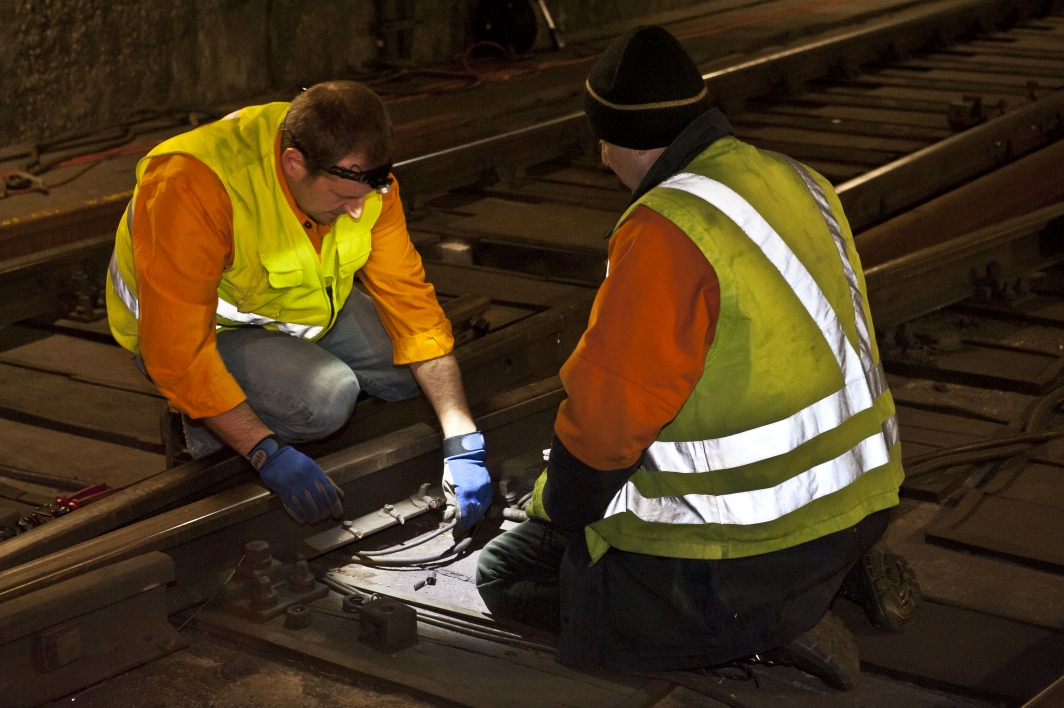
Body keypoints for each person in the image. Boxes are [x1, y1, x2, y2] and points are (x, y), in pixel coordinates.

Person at [475, 26, 921, 689]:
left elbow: (604, 429)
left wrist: (556, 510)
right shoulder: (797, 179)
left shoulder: (666, 227)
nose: (600, 157)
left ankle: (771, 626)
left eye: (601, 138)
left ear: (625, 138)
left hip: (749, 553)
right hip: (865, 501)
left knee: (506, 574)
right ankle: (836, 571)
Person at [106, 81, 492, 530]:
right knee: (326, 399)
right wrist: (265, 451)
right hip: (195, 333)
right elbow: (177, 350)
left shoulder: (363, 180)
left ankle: (272, 383)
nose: (355, 211)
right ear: (293, 164)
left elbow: (412, 306)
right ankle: (199, 427)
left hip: (293, 309)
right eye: (342, 198)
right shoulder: (192, 186)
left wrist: (462, 436)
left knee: (410, 373)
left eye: (364, 198)